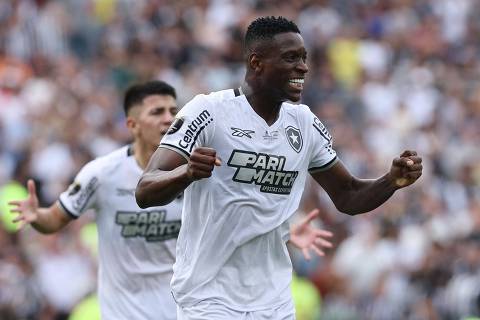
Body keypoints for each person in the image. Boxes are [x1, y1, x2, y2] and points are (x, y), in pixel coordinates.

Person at [135, 16, 423, 320]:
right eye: (291, 58)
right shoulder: (209, 111)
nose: (303, 67)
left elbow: (348, 195)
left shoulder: (304, 123)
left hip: (274, 303)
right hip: (208, 299)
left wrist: (391, 180)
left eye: (304, 58)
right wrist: (187, 173)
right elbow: (145, 189)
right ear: (256, 63)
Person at [9, 80, 334, 319]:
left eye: (172, 111)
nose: (168, 118)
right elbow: (56, 218)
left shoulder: (201, 167)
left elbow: (239, 215)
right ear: (132, 125)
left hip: (184, 306)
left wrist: (288, 229)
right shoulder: (102, 174)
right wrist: (36, 216)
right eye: (156, 112)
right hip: (125, 311)